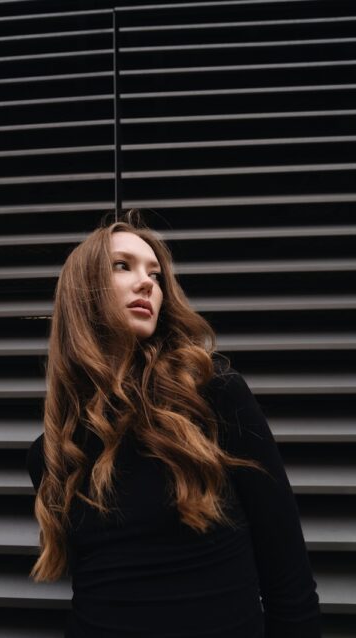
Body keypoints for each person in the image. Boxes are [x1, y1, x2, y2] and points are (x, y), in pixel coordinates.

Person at [26, 209, 321, 638]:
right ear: (81, 293)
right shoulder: (51, 452)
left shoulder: (213, 396)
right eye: (122, 266)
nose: (148, 282)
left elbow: (288, 574)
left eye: (156, 274)